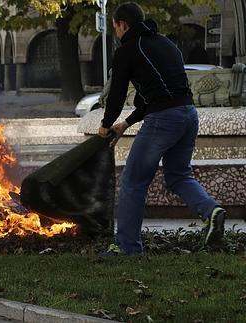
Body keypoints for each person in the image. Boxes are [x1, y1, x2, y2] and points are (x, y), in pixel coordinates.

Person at [98, 2, 226, 255]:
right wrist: (126, 123)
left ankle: (127, 248)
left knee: (133, 182)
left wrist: (105, 125)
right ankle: (211, 210)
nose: (117, 33)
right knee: (178, 175)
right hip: (189, 115)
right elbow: (159, 93)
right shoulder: (167, 45)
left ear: (122, 24)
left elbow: (116, 94)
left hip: (164, 119)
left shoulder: (128, 50)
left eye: (115, 28)